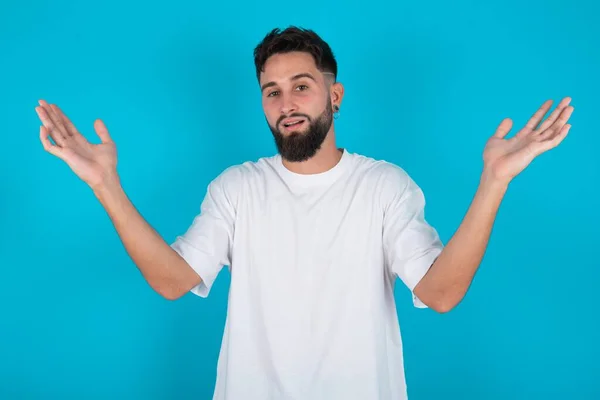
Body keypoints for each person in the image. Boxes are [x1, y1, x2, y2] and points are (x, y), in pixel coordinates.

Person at [35, 26, 573, 400]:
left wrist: (494, 182)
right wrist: (105, 184)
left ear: (334, 95)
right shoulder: (237, 188)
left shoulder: (384, 186)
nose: (286, 102)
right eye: (272, 91)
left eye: (301, 86)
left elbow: (440, 293)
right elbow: (174, 280)